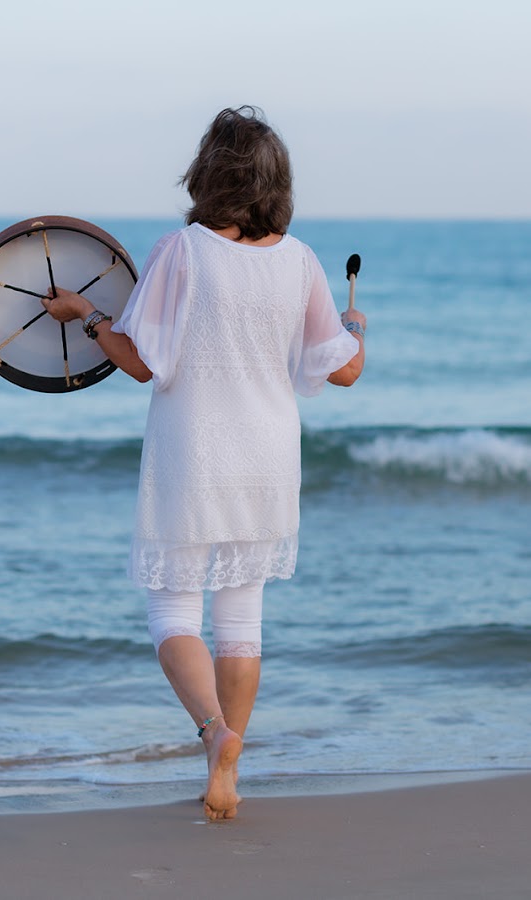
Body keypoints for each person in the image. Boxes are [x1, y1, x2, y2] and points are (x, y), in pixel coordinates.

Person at [41, 106, 366, 822]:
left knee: (172, 611)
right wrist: (353, 327)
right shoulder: (300, 259)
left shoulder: (182, 250)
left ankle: (212, 733)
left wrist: (87, 316)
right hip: (269, 457)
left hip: (195, 450)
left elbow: (138, 360)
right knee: (242, 617)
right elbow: (346, 372)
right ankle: (230, 763)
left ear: (208, 174)